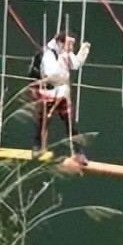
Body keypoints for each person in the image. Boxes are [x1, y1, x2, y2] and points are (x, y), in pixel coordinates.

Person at [31, 31, 90, 164]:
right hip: (50, 92)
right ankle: (37, 147)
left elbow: (76, 65)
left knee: (70, 124)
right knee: (43, 121)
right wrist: (62, 60)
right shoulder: (49, 54)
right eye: (70, 43)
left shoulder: (65, 53)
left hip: (62, 93)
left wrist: (84, 50)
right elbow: (53, 74)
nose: (71, 46)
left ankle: (78, 153)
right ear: (61, 43)